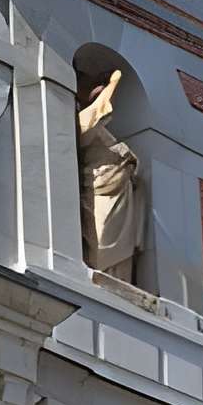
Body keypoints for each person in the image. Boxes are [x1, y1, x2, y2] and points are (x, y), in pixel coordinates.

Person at [77, 67, 143, 280]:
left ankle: (118, 279)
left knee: (123, 247)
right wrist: (111, 83)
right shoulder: (85, 120)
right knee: (101, 238)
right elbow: (95, 117)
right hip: (101, 190)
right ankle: (103, 276)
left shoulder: (102, 128)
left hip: (120, 192)